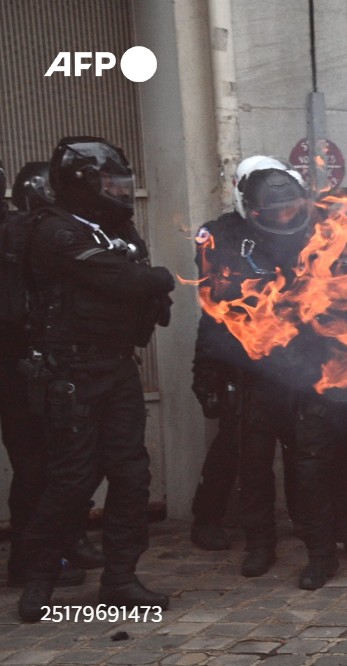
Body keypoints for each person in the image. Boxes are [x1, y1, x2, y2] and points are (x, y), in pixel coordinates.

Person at [16, 136, 175, 622]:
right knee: (71, 480)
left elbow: (140, 285)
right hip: (71, 370)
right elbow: (124, 280)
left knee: (131, 475)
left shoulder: (115, 227)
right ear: (82, 185)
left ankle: (120, 578)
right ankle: (39, 576)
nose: (120, 193)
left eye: (121, 184)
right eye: (110, 184)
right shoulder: (54, 230)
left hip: (116, 366)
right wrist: (154, 281)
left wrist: (149, 288)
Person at [192, 161, 347, 579]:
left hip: (308, 365)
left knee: (328, 454)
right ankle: (259, 543)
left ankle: (342, 527)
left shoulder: (317, 231)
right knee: (252, 460)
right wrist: (206, 376)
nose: (285, 218)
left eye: (291, 208)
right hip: (252, 368)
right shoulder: (223, 237)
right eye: (276, 212)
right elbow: (215, 313)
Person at [2, 162, 106, 589]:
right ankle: (33, 559)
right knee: (36, 466)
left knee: (51, 462)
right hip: (15, 365)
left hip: (27, 364)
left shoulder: (21, 231)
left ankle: (54, 546)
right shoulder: (16, 233)